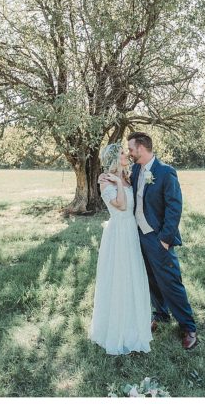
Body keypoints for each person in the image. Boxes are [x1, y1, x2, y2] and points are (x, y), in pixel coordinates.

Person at [126, 132, 198, 350]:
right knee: (151, 279)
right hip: (139, 236)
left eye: (130, 148)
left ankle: (188, 327)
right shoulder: (136, 170)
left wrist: (165, 240)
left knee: (170, 281)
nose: (129, 152)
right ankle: (161, 314)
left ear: (141, 148)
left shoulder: (166, 172)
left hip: (158, 239)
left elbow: (174, 208)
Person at [89, 142, 153, 355]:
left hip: (131, 231)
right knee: (119, 277)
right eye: (123, 153)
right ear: (115, 158)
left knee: (133, 276)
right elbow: (122, 205)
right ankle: (118, 328)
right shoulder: (106, 182)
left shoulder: (128, 175)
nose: (127, 155)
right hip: (118, 233)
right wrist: (116, 180)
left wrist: (120, 178)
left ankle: (134, 323)